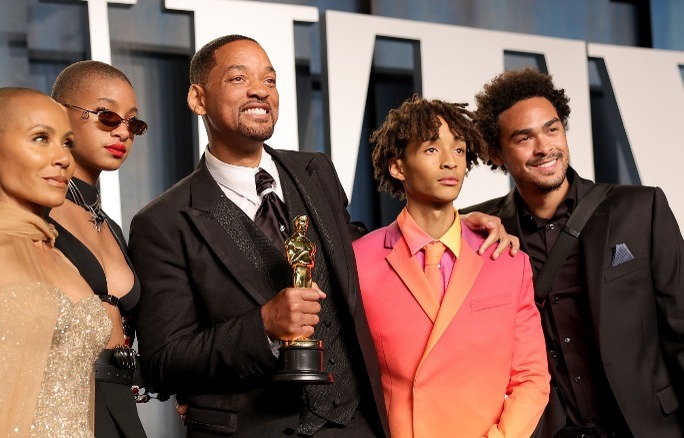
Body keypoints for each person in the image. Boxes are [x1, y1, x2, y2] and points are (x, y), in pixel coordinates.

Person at [127, 34, 515, 437]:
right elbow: (162, 362)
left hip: (357, 423)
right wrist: (262, 327)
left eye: (270, 80)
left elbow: (363, 253)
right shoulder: (162, 221)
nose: (261, 90)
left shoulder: (316, 172)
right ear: (198, 98)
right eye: (239, 79)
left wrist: (453, 225)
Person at [0, 61, 149, 438]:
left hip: (117, 403)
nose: (123, 131)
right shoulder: (0, 207)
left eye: (133, 124)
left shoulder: (114, 229)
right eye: (107, 116)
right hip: (39, 404)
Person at [462, 68, 684, 437]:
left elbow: (681, 330)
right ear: (496, 153)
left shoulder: (641, 209)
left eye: (552, 129)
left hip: (649, 426)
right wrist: (457, 229)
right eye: (524, 138)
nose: (544, 147)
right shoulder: (481, 232)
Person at [353, 96, 549, 437]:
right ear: (397, 166)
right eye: (432, 150)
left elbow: (531, 377)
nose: (450, 163)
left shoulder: (507, 261)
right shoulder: (358, 260)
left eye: (459, 150)